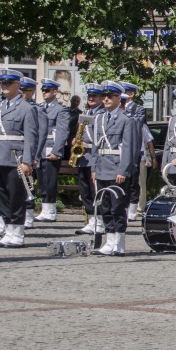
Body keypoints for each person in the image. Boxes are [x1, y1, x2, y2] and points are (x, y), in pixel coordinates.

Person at [0, 69, 40, 248]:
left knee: (16, 198)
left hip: (15, 159)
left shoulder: (27, 108)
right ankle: (8, 232)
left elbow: (31, 137)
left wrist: (27, 161)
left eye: (8, 83)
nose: (3, 86)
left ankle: (18, 234)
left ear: (17, 86)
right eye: (2, 83)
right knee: (1, 198)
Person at [89, 81, 142, 256]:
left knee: (118, 206)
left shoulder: (126, 119)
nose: (106, 99)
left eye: (110, 96)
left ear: (119, 98)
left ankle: (119, 242)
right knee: (104, 206)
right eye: (104, 96)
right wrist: (94, 167)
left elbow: (129, 148)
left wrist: (123, 170)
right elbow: (96, 146)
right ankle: (109, 240)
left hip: (116, 167)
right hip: (103, 166)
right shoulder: (99, 118)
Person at [34, 78, 71, 222]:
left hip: (51, 147)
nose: (44, 92)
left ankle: (50, 210)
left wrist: (57, 150)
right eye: (43, 90)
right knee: (42, 180)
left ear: (55, 92)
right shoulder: (39, 107)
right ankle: (44, 208)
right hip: (40, 148)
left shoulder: (60, 109)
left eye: (47, 90)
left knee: (50, 180)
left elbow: (62, 131)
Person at [74, 84, 107, 236]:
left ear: (101, 98)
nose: (92, 98)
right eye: (90, 96)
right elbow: (81, 132)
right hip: (83, 157)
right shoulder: (87, 112)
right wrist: (76, 139)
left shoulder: (103, 114)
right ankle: (91, 220)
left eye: (95, 96)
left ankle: (99, 222)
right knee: (85, 190)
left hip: (95, 157)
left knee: (95, 192)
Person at [18, 77, 47, 228]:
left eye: (25, 91)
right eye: (20, 90)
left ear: (32, 92)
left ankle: (28, 216)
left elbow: (41, 135)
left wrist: (35, 155)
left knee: (27, 184)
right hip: (17, 152)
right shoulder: (16, 107)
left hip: (30, 153)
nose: (22, 94)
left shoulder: (37, 109)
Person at [120, 81, 146, 221]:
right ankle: (123, 207)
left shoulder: (138, 108)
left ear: (131, 94)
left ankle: (133, 208)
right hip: (121, 150)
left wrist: (123, 111)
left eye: (124, 92)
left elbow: (137, 123)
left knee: (133, 181)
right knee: (123, 179)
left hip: (135, 149)